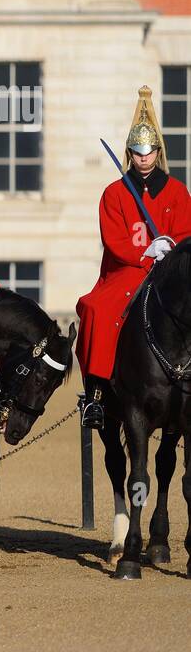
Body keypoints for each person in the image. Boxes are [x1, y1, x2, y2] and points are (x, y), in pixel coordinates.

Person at [77, 86, 191, 428]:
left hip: (168, 271)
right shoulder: (114, 193)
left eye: (149, 151)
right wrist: (145, 251)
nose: (143, 158)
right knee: (98, 308)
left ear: (158, 152)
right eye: (138, 152)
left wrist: (171, 250)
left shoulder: (177, 190)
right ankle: (96, 391)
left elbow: (186, 233)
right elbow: (113, 240)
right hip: (128, 271)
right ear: (130, 152)